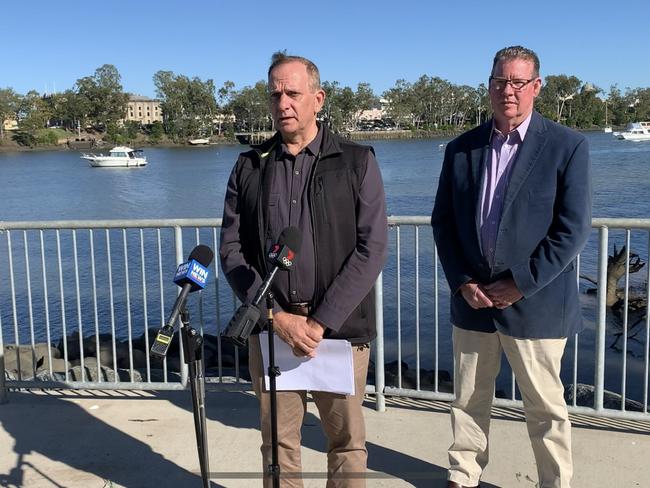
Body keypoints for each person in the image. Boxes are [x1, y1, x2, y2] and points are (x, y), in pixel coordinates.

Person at [219, 52, 388, 487]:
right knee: (277, 447)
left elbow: (372, 248)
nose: (283, 103)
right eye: (275, 93)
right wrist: (278, 319)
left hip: (339, 334)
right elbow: (232, 251)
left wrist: (319, 322)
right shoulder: (249, 167)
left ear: (318, 98)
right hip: (273, 332)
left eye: (293, 92)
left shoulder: (356, 161)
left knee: (347, 446)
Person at [431, 46, 592, 488]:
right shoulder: (462, 148)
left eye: (519, 82)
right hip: (473, 303)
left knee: (545, 409)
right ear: (489, 86)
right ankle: (463, 475)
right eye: (501, 81)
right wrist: (463, 281)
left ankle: (554, 482)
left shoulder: (567, 146)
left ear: (536, 87)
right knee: (467, 400)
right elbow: (442, 222)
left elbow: (572, 231)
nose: (509, 91)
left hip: (535, 305)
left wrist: (519, 284)